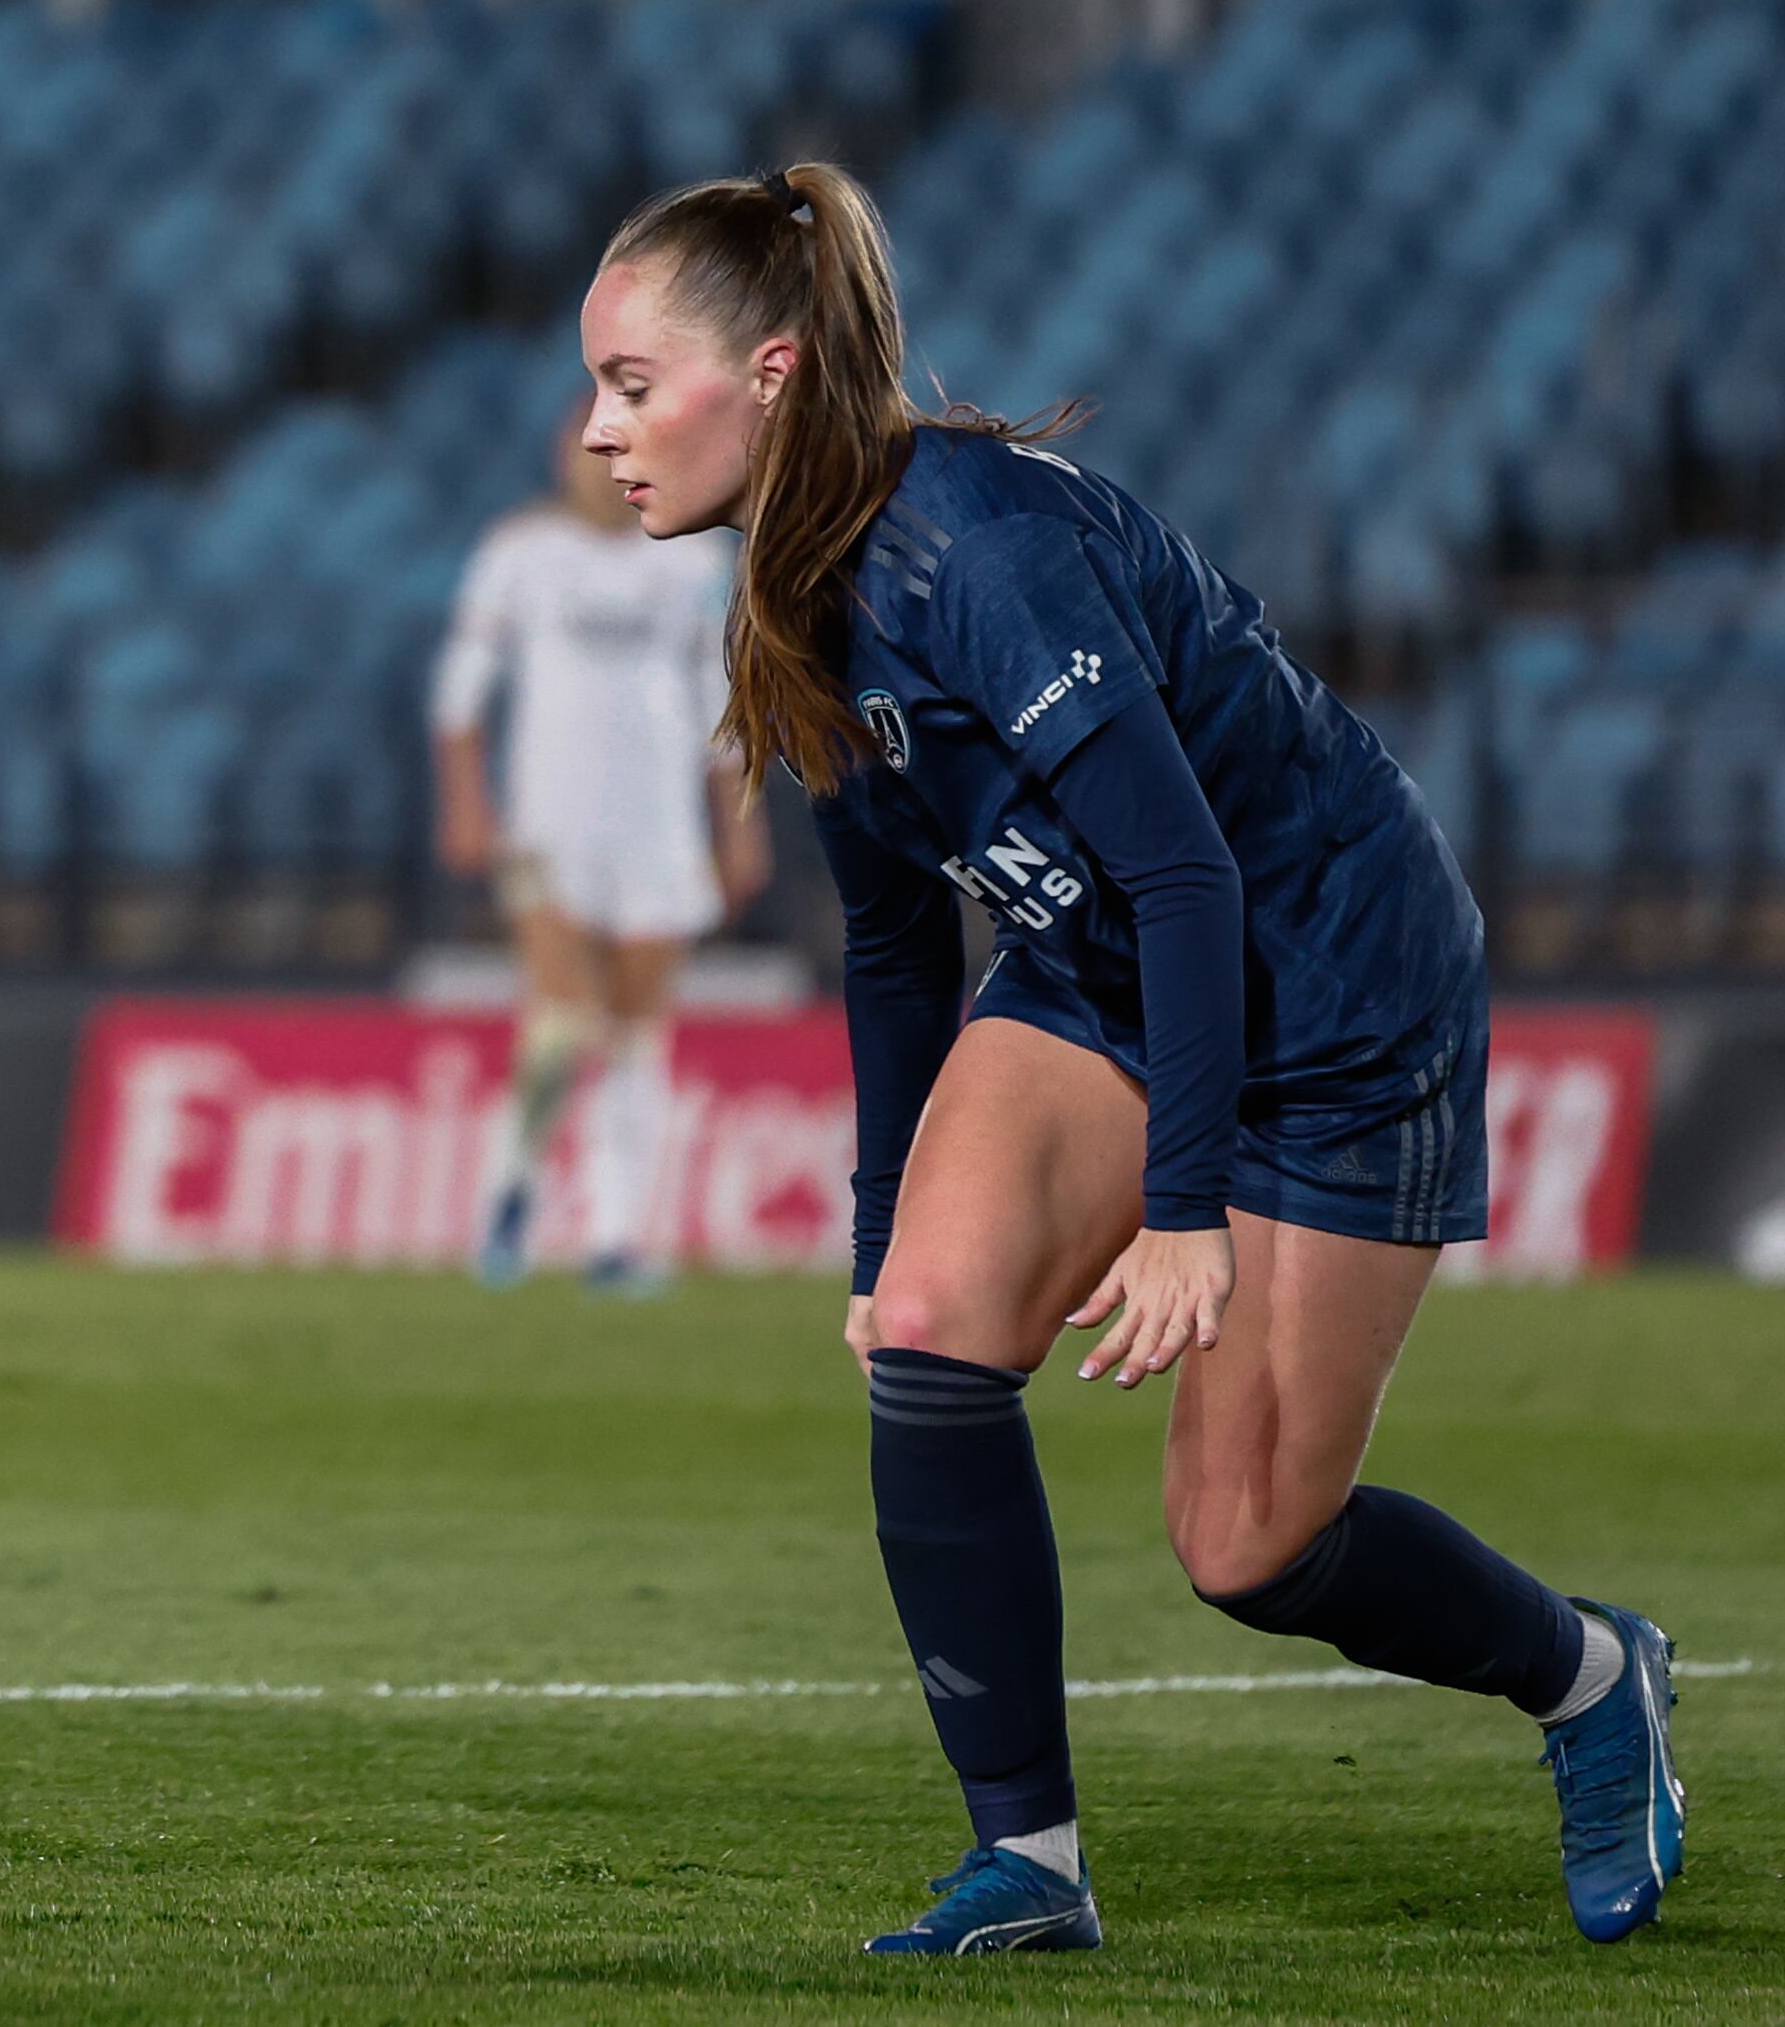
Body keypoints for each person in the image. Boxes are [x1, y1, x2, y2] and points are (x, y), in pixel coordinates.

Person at [580, 162, 1682, 1953]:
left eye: (631, 384)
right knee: (931, 1335)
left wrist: (1186, 1215)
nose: (597, 430)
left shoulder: (974, 548)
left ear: (769, 373)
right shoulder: (791, 598)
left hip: (1331, 985)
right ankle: (1033, 1866)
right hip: (1111, 969)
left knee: (1248, 1545)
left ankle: (1589, 1681)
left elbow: (1191, 870)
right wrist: (875, 1248)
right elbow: (886, 942)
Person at [432, 404, 765, 1292]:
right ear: (563, 460)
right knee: (559, 1017)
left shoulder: (694, 560)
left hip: (656, 829)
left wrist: (740, 822)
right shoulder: (520, 557)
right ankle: (510, 1193)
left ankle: (616, 1237)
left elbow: (718, 700)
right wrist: (467, 803)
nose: (603, 464)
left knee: (636, 1034)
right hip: (548, 829)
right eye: (590, 449)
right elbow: (461, 697)